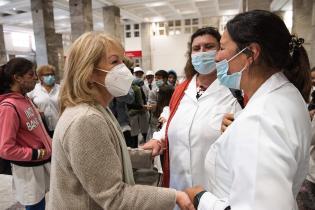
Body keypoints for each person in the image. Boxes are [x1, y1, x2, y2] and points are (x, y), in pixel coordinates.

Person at [47, 32, 194, 210]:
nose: (124, 69)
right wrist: (174, 196)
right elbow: (114, 197)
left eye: (123, 61)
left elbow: (106, 157)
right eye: (115, 61)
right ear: (90, 72)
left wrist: (146, 155)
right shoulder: (86, 120)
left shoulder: (98, 108)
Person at [185, 10, 312, 210]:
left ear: (251, 53)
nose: (216, 57)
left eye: (222, 48)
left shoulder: (261, 119)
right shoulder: (284, 95)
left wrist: (202, 199)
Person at [142, 27, 242, 194]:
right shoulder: (182, 90)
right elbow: (171, 123)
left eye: (209, 47)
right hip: (178, 189)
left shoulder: (235, 90)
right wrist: (158, 139)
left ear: (221, 51)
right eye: (196, 48)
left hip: (215, 193)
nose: (202, 52)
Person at [0, 58, 52, 210]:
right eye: (31, 74)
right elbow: (5, 148)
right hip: (29, 169)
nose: (36, 78)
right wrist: (35, 153)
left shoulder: (24, 98)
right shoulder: (8, 107)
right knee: (34, 206)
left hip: (41, 163)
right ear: (17, 78)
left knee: (41, 202)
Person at [28, 64, 60, 138]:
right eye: (47, 75)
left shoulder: (60, 89)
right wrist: (35, 109)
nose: (50, 77)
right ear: (40, 77)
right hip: (42, 126)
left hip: (59, 125)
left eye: (52, 74)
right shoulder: (34, 89)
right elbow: (26, 102)